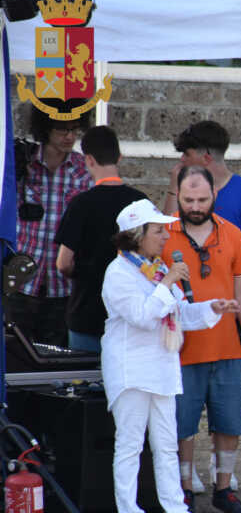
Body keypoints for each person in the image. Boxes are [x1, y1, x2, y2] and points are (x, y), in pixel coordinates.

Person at [102, 199, 229, 513]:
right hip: (131, 369)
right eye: (157, 230)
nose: (165, 236)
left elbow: (179, 313)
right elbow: (143, 316)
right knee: (129, 445)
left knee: (166, 446)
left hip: (161, 367)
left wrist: (209, 308)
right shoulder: (118, 273)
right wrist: (169, 279)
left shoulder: (157, 270)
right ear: (136, 234)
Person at [165, 165, 241, 513]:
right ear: (178, 195)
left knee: (229, 421)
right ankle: (184, 489)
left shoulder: (232, 233)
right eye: (188, 199)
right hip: (181, 348)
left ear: (214, 195)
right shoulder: (164, 234)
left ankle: (223, 490)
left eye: (202, 198)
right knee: (183, 424)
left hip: (226, 345)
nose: (195, 205)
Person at [55, 126, 147, 353]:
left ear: (88, 160)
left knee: (84, 383)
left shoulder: (81, 204)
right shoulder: (140, 203)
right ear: (119, 157)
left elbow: (63, 263)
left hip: (87, 310)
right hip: (129, 314)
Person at [9, 105, 92, 346]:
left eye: (74, 130)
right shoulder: (21, 163)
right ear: (45, 129)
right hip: (20, 280)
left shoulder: (83, 168)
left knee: (57, 361)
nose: (69, 137)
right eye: (61, 130)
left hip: (62, 284)